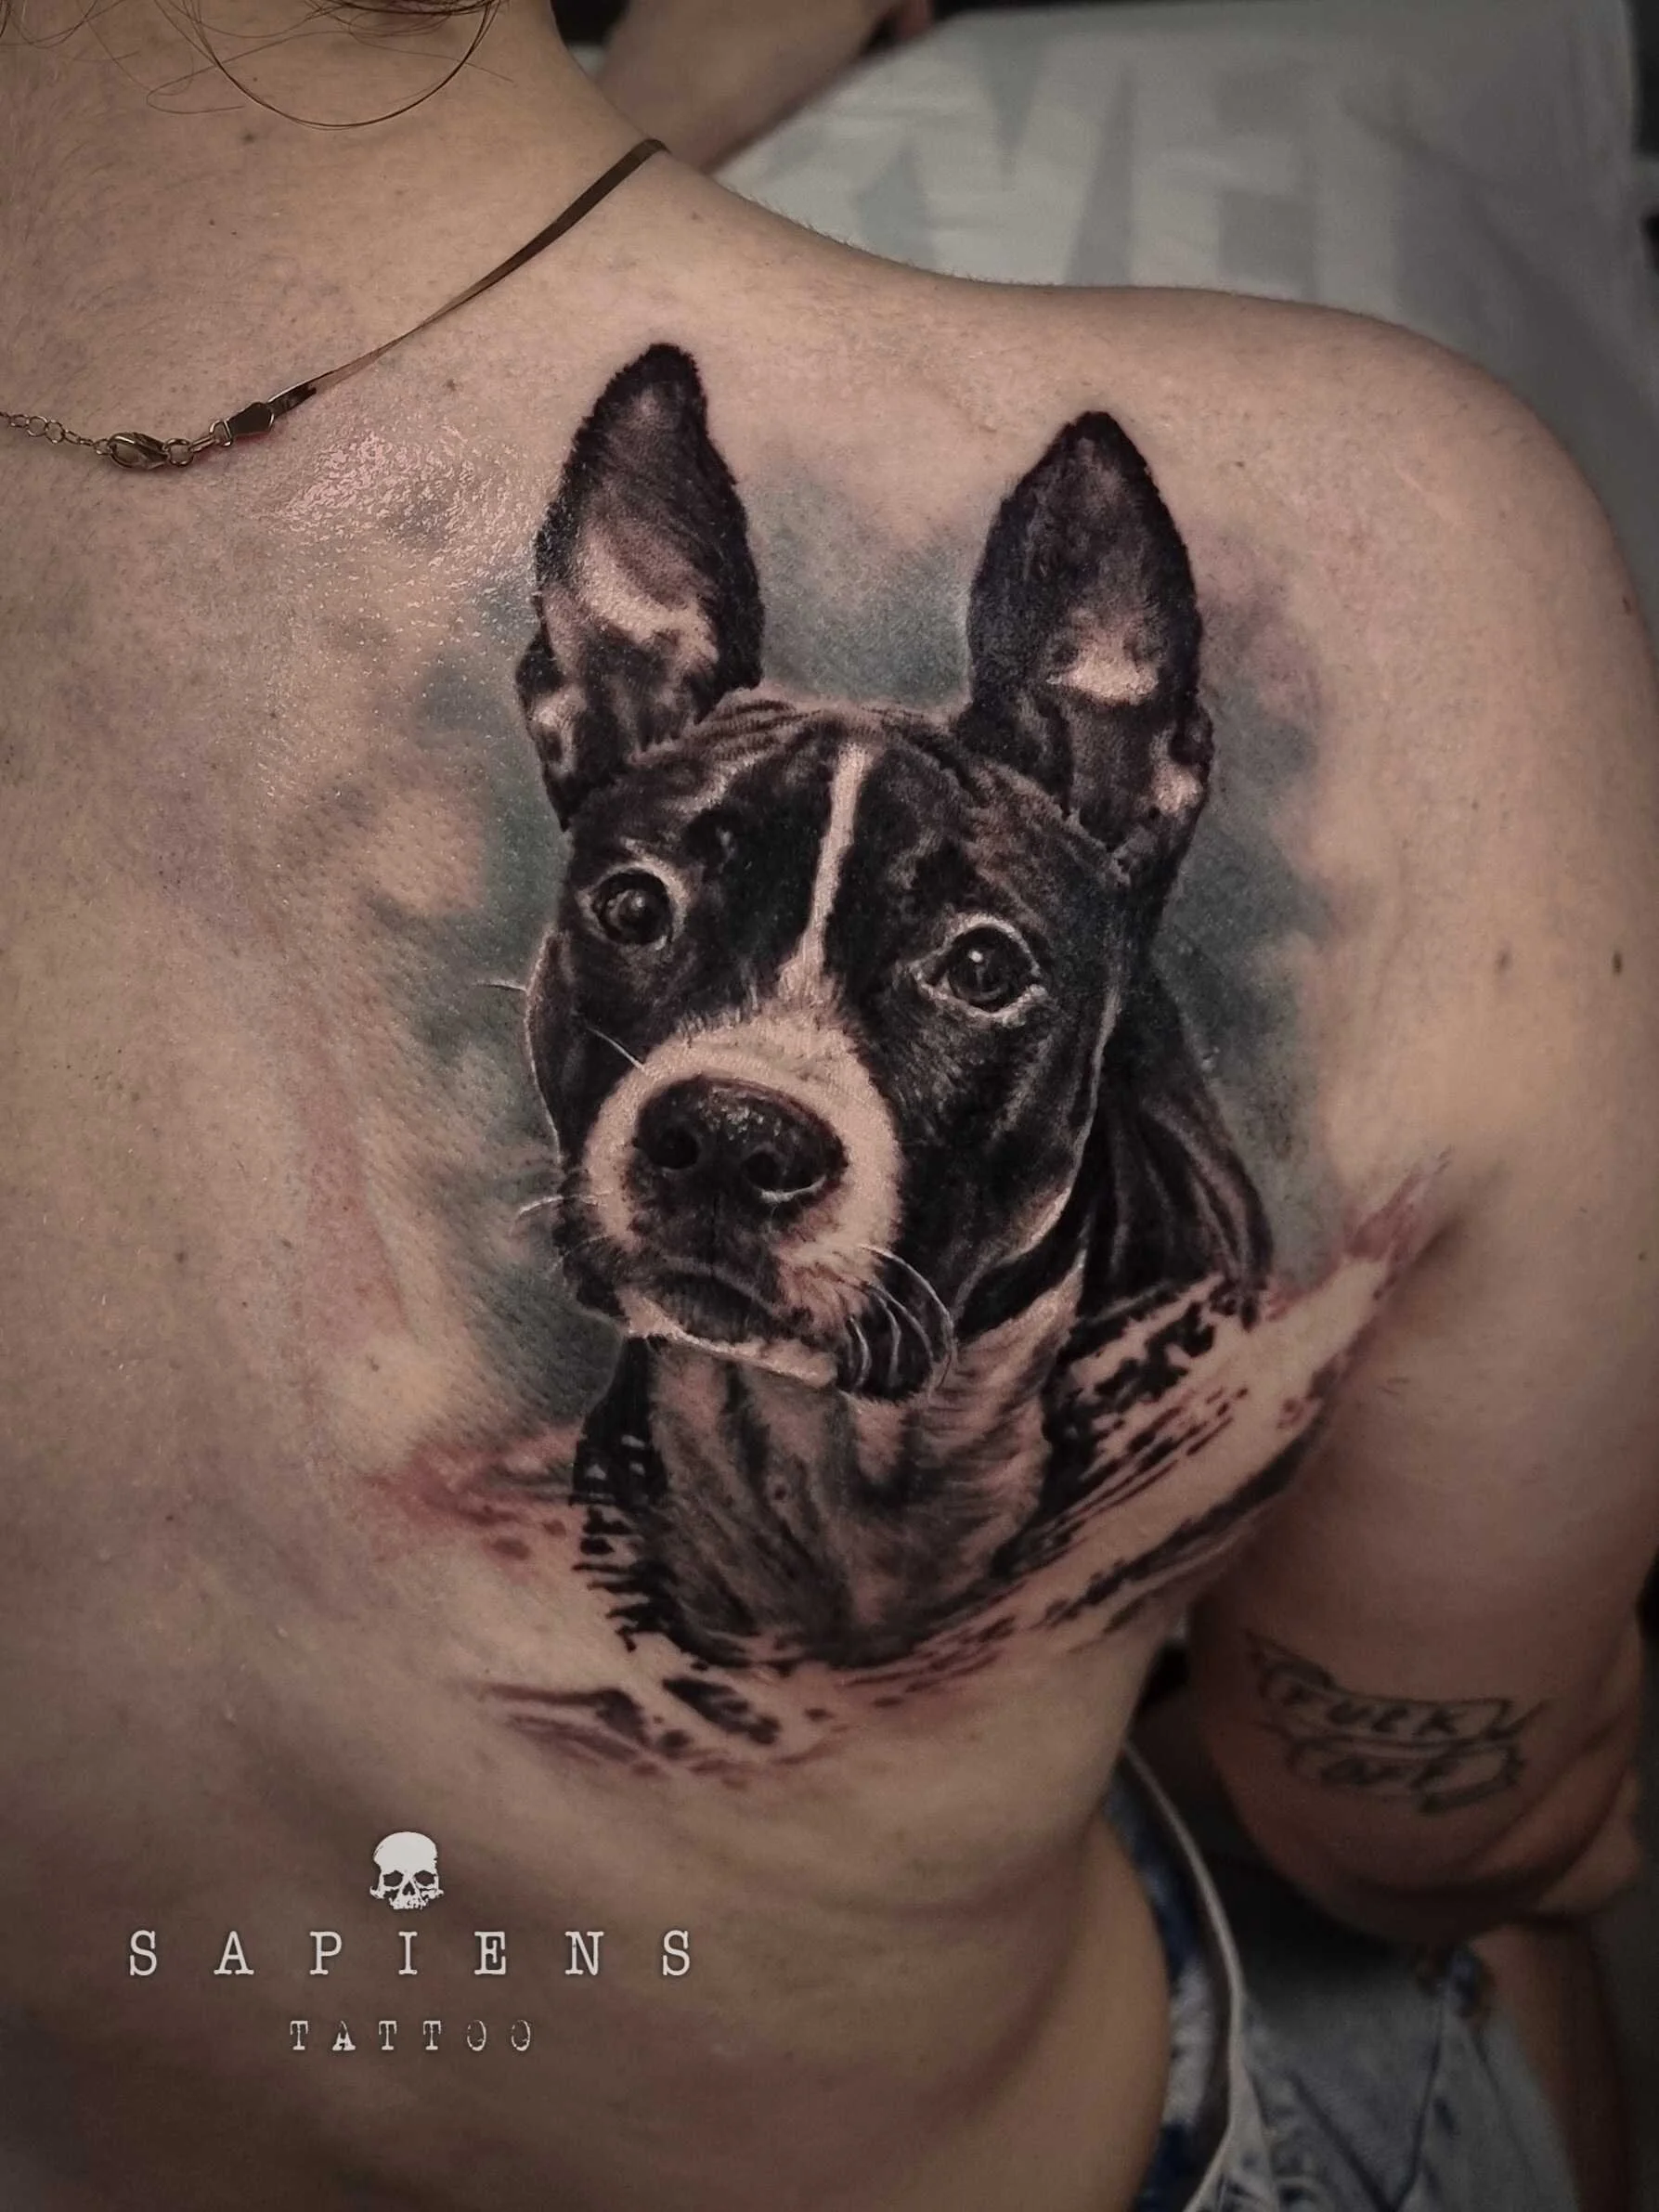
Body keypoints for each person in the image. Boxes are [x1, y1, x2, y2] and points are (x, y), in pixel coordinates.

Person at [1, 2, 1654, 2207]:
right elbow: (1411, 1826)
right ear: (578, 706)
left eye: (966, 968)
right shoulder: (1422, 553)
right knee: (1496, 1935)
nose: (740, 1100)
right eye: (642, 915)